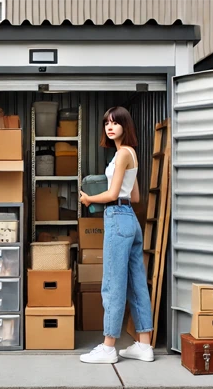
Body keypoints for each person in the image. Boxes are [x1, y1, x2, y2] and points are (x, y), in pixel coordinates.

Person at [78, 106, 154, 364]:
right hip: (130, 218)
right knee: (136, 282)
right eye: (106, 123)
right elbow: (135, 196)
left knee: (112, 284)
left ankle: (108, 347)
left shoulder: (122, 154)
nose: (110, 127)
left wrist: (88, 199)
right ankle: (145, 345)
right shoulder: (131, 153)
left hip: (117, 218)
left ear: (125, 125)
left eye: (115, 123)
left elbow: (112, 195)